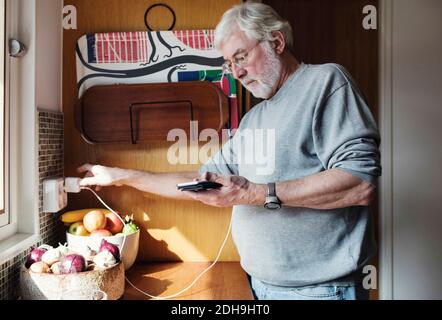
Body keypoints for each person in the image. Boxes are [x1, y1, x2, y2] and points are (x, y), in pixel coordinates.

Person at [77, 2, 381, 300]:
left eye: (242, 56)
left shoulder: (325, 82)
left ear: (276, 41)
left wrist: (255, 193)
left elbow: (359, 183)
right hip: (261, 284)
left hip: (321, 290)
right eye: (229, 63)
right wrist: (123, 175)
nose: (236, 71)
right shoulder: (254, 118)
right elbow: (200, 180)